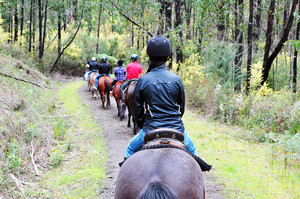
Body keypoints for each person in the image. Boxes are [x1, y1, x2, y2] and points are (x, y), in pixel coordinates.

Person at [122, 35, 197, 161]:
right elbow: (181, 108)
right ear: (168, 57)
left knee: (129, 149)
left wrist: (143, 127)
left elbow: (138, 110)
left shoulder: (143, 80)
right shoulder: (176, 79)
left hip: (150, 129)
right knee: (194, 151)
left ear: (149, 56)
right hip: (176, 128)